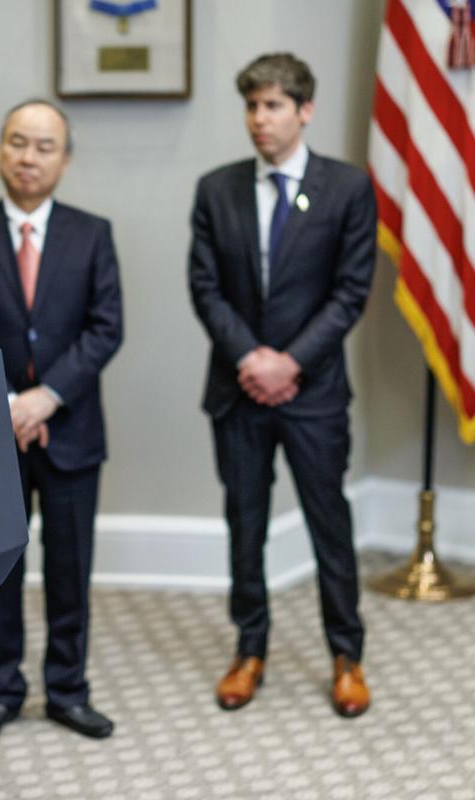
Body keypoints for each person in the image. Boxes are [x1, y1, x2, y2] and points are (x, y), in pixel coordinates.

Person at [187, 52, 376, 718]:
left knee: (330, 523)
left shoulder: (348, 188)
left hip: (314, 391)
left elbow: (351, 292)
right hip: (237, 389)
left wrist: (289, 363)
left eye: (272, 106)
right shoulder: (217, 189)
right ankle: (250, 648)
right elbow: (205, 287)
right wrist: (251, 358)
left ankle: (346, 654)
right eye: (251, 106)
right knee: (246, 522)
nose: (259, 120)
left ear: (304, 110)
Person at [0, 99, 123, 741]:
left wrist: (48, 399)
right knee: (1, 569)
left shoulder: (92, 233)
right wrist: (12, 404)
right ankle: (1, 687)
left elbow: (106, 329)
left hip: (72, 431)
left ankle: (69, 689)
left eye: (44, 146)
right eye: (18, 142)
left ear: (64, 160)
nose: (28, 157)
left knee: (71, 569)